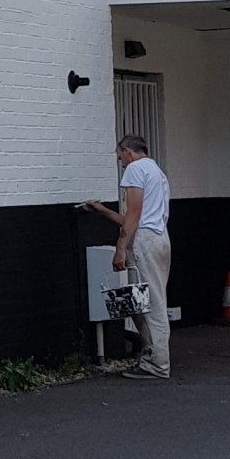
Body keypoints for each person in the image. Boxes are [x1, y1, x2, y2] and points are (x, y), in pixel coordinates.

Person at [85, 134, 172, 380]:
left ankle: (158, 363)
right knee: (140, 301)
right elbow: (135, 218)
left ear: (127, 151)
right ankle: (150, 354)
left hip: (144, 241)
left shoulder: (135, 169)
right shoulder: (157, 172)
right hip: (159, 238)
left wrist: (120, 247)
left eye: (120, 155)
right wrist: (103, 210)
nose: (120, 161)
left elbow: (133, 215)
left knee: (151, 304)